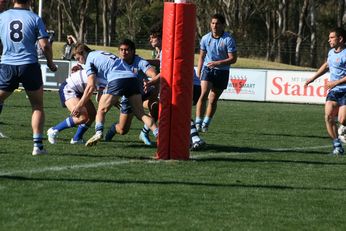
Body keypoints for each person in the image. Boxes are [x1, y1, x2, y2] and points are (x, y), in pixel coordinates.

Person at [72, 43, 159, 147]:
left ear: (83, 53)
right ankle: (159, 135)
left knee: (101, 110)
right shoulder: (100, 53)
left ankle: (98, 132)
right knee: (141, 114)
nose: (79, 61)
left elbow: (90, 86)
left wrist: (79, 106)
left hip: (117, 80)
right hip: (133, 79)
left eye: (78, 58)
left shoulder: (89, 60)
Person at [0, 0, 57, 155]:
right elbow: (44, 45)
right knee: (37, 106)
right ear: (30, 1)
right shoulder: (34, 18)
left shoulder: (2, 16)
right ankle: (37, 146)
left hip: (7, 65)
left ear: (13, 0)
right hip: (29, 65)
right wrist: (51, 63)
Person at [146, 27, 206, 151]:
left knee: (181, 113)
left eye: (153, 37)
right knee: (179, 113)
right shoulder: (164, 51)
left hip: (189, 86)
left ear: (162, 39)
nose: (150, 40)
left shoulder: (167, 50)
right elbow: (160, 62)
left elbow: (164, 72)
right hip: (191, 86)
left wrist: (151, 82)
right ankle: (191, 140)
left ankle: (196, 139)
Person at [104, 39, 159, 146]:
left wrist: (151, 81)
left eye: (127, 50)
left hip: (144, 93)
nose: (124, 52)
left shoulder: (139, 61)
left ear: (133, 51)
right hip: (129, 98)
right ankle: (113, 129)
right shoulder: (116, 64)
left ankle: (147, 133)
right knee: (123, 130)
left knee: (156, 106)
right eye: (121, 50)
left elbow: (153, 73)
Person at [305, 27, 346, 155]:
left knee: (342, 120)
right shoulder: (331, 53)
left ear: (340, 39)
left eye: (332, 37)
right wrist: (312, 78)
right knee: (328, 117)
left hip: (345, 90)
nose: (329, 40)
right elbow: (327, 65)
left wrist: (336, 82)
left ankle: (343, 129)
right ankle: (337, 146)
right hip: (334, 91)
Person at [195, 13, 237, 133]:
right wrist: (199, 69)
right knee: (203, 94)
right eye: (212, 23)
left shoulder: (228, 40)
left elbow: (233, 59)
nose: (214, 26)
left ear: (223, 25)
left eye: (217, 23)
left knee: (213, 100)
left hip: (222, 72)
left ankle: (206, 123)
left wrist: (217, 63)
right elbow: (202, 56)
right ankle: (198, 122)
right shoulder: (205, 38)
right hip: (208, 70)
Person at [47, 67, 96, 144]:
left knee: (92, 114)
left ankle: (77, 138)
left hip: (81, 90)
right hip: (69, 88)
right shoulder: (109, 75)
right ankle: (53, 130)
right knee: (81, 117)